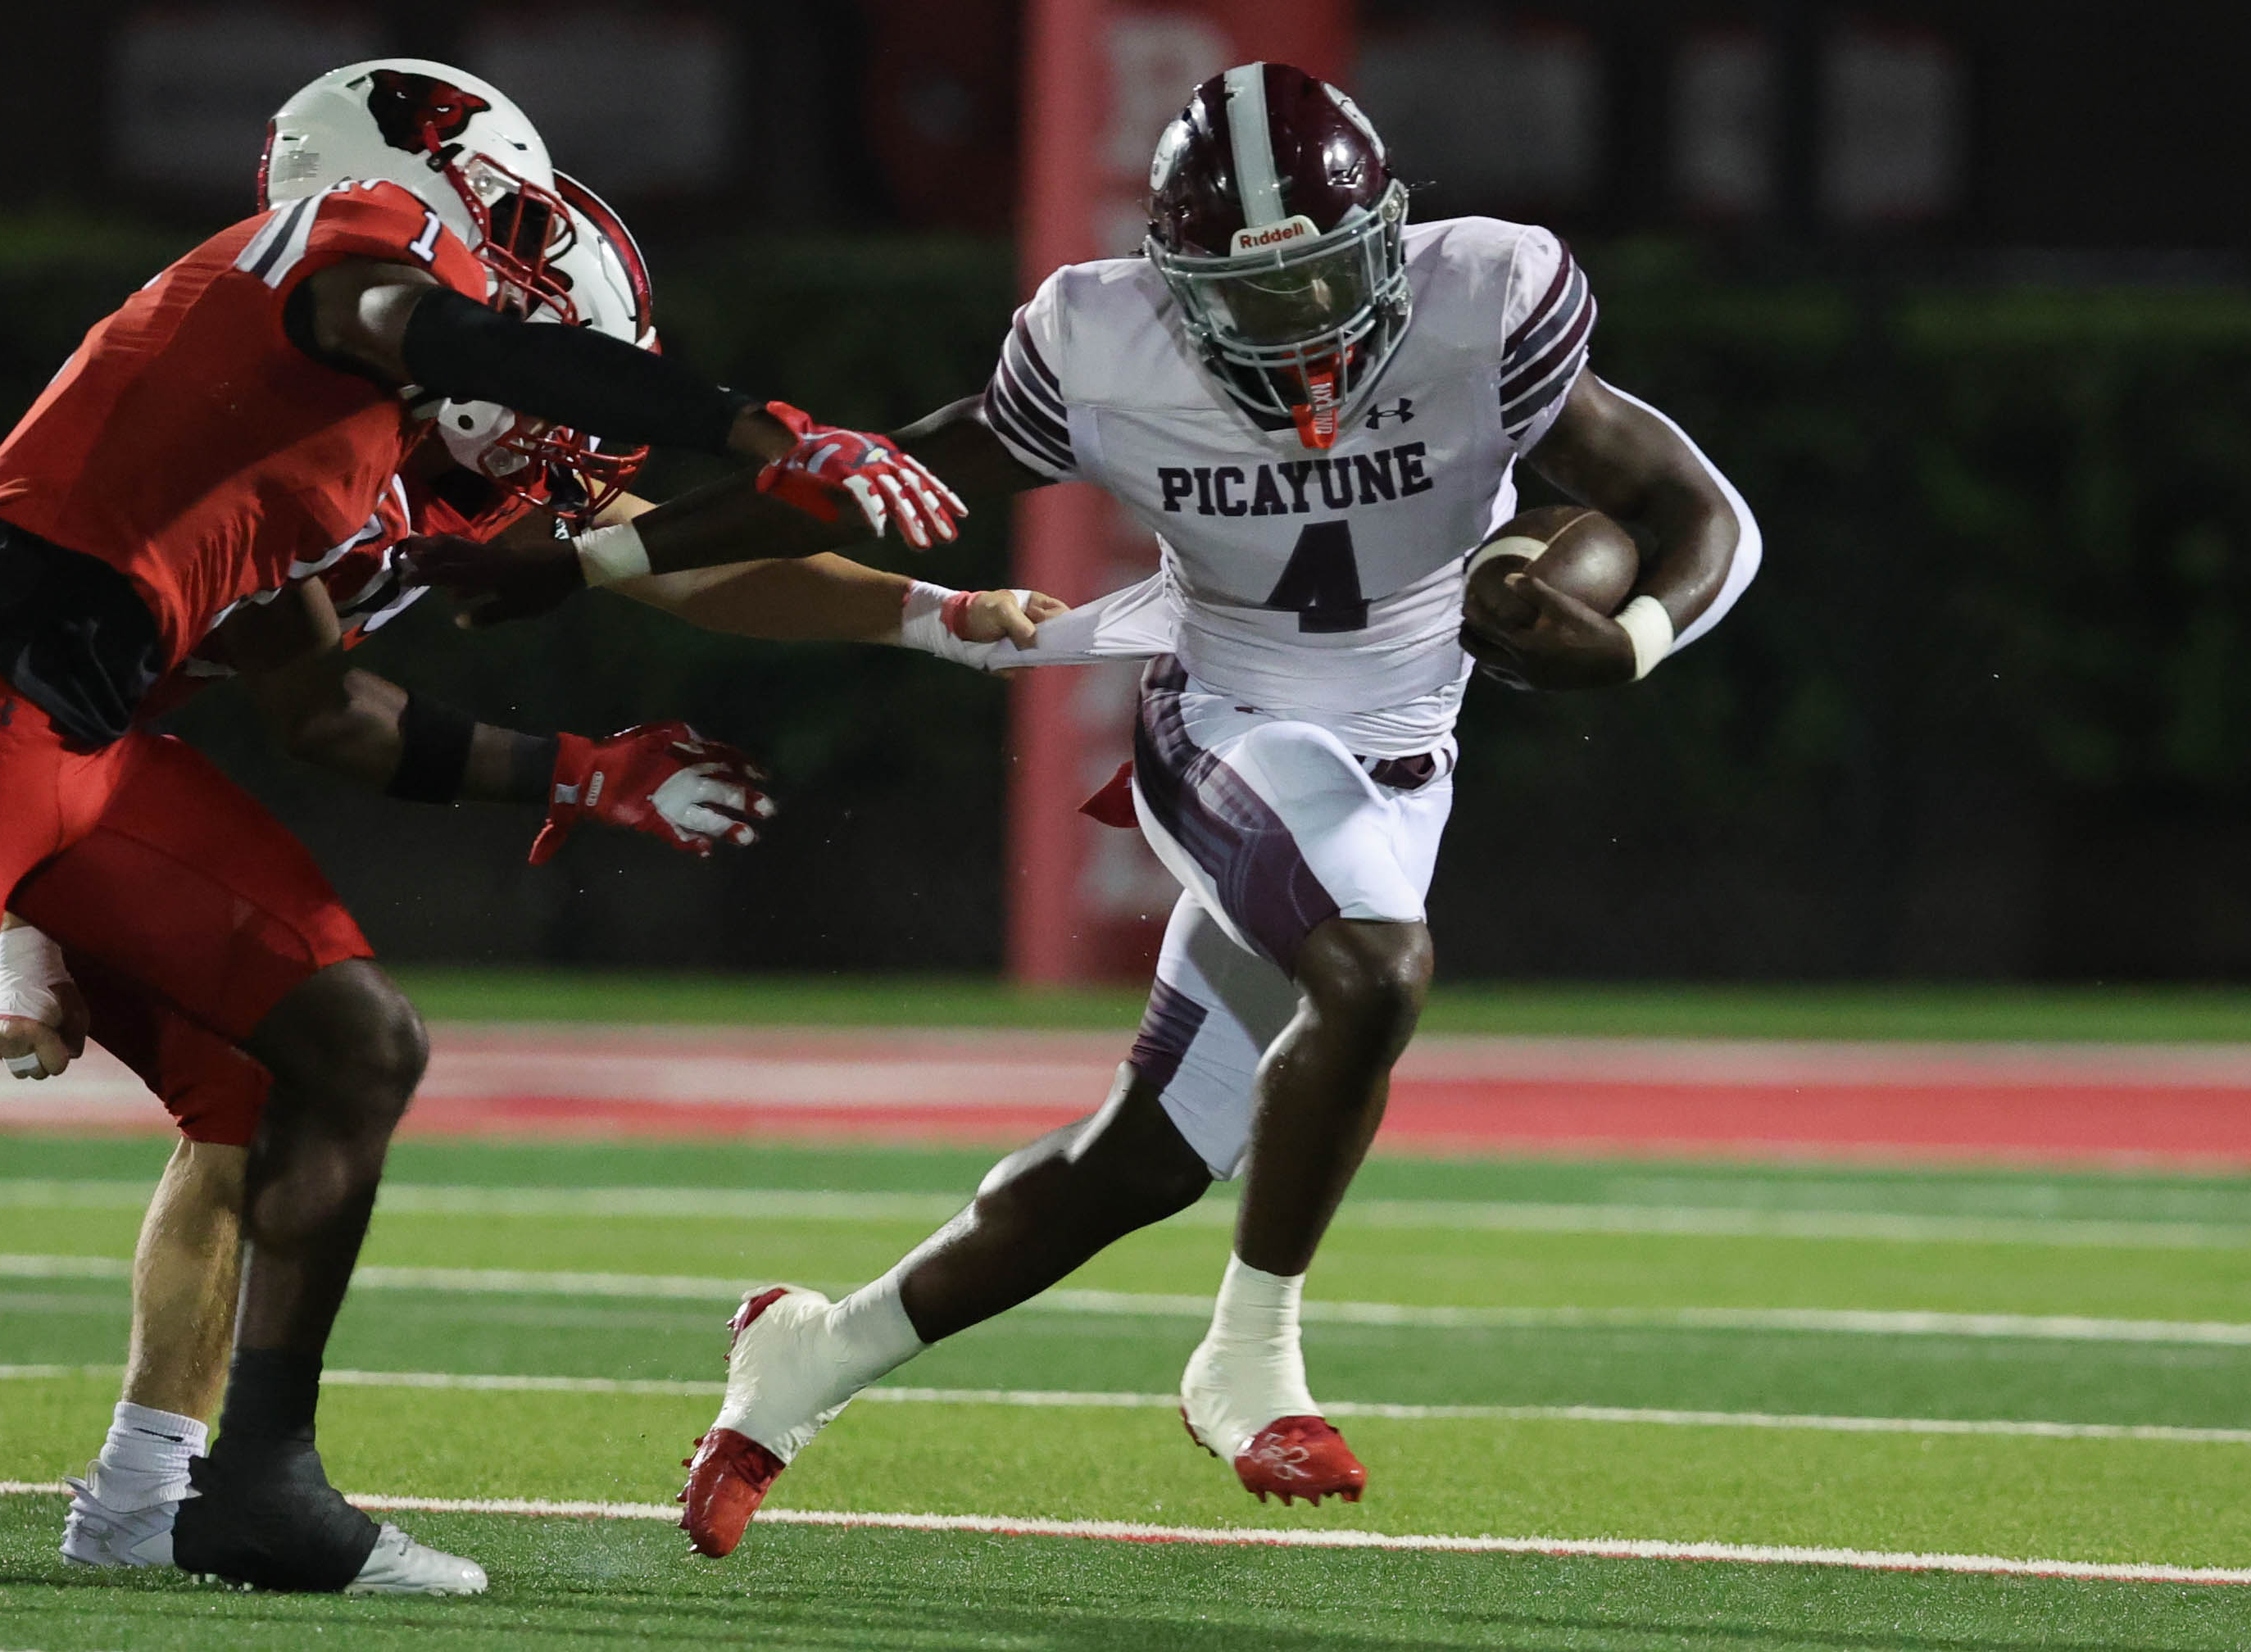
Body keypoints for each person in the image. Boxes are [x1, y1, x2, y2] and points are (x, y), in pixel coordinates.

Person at [411, 61, 1761, 1558]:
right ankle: (1251, 1360)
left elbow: (1702, 515)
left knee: (1145, 1162)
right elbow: (884, 483)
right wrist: (592, 560)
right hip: (1226, 710)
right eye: (1254, 301)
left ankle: (806, 1356)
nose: (1303, 331)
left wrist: (1629, 642)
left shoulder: (1486, 302)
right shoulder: (1105, 340)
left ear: (1388, 242)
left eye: (1324, 282)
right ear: (1175, 292)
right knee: (1377, 970)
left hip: (1404, 753)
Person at [0, 172, 1053, 1584]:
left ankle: (214, 1489)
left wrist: (593, 772)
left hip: (91, 734)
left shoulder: (357, 464)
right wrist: (755, 424)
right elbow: (453, 338)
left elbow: (331, 714)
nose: (570, 435)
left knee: (339, 1043)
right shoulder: (347, 258)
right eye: (546, 344)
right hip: (15, 672)